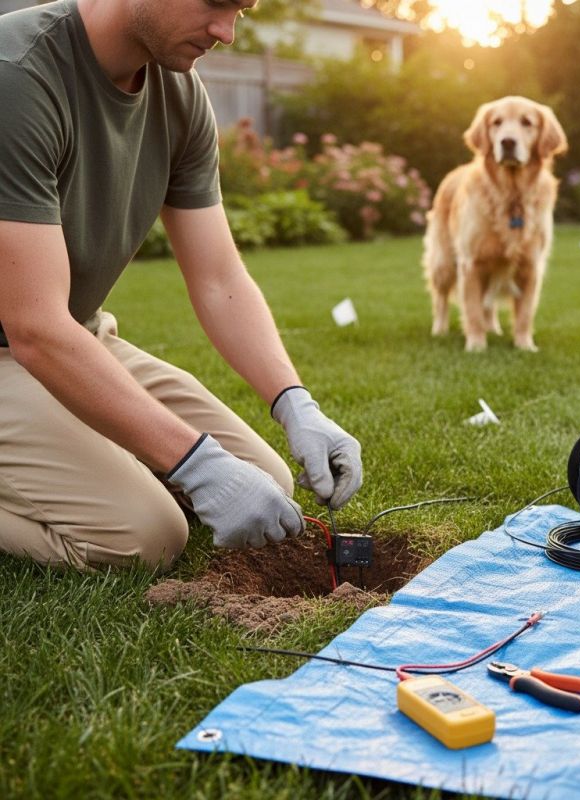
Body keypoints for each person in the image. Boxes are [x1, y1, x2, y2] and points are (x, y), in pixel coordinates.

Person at [0, 0, 362, 570]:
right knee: (146, 536)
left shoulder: (180, 92)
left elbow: (219, 279)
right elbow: (34, 328)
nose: (227, 32)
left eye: (240, 10)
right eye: (217, 4)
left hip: (78, 339)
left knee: (265, 481)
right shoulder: (17, 75)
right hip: (25, 344)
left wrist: (296, 404)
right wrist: (196, 465)